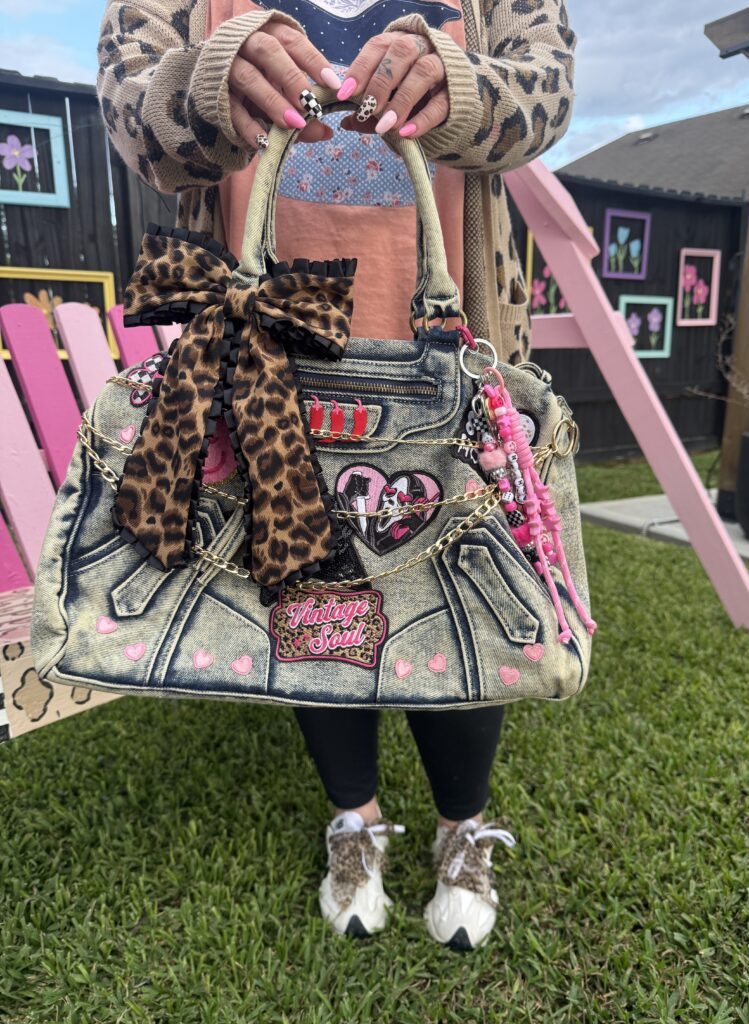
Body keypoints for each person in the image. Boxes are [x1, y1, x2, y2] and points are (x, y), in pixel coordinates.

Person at [97, 0, 576, 950]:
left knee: (463, 579)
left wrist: (467, 84)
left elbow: (547, 89)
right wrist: (206, 78)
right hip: (269, 349)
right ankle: (355, 824)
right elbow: (128, 109)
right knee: (307, 585)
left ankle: (461, 828)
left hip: (445, 337)